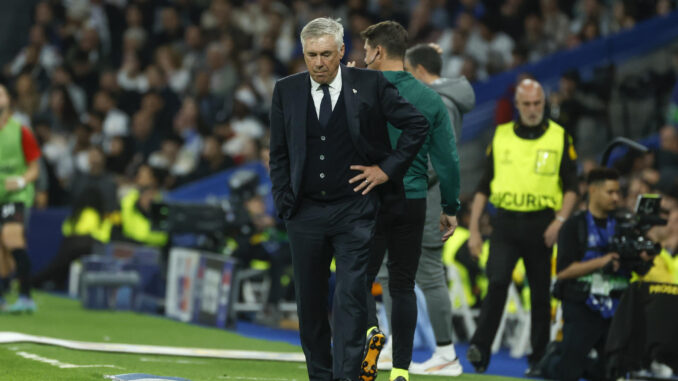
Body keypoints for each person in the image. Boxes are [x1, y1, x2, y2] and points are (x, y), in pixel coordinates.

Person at [268, 17, 429, 381]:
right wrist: (284, 201)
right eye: (311, 55)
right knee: (309, 307)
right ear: (303, 54)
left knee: (351, 300)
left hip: (355, 211)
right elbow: (278, 153)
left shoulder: (370, 84)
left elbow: (416, 124)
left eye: (326, 54)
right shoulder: (286, 90)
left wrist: (386, 170)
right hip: (304, 212)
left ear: (342, 52)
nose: (319, 62)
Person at [356, 22, 462, 381]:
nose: (364, 55)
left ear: (379, 52)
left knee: (357, 279)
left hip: (366, 196)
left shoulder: (360, 89)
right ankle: (400, 369)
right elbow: (447, 158)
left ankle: (370, 333)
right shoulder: (430, 98)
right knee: (403, 285)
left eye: (367, 49)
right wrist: (450, 208)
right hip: (413, 199)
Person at [466, 78, 579, 375]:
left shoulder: (559, 137)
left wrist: (560, 220)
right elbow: (483, 186)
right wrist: (475, 230)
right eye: (526, 104)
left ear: (545, 103)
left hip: (543, 224)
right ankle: (480, 349)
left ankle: (538, 358)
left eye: (537, 103)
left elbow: (572, 188)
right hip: (505, 223)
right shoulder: (501, 136)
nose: (532, 109)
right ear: (516, 105)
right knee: (498, 282)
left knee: (541, 294)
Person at [401, 42, 476, 376]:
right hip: (421, 196)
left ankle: (446, 353)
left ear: (418, 70)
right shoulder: (443, 99)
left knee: (430, 274)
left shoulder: (440, 102)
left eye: (406, 71)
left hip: (427, 199)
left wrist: (398, 178)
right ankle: (394, 346)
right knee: (394, 271)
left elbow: (437, 159)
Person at [540, 167, 654, 380]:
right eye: (610, 192)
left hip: (616, 307)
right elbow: (563, 271)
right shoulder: (574, 226)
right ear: (593, 190)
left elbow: (637, 268)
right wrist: (602, 261)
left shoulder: (624, 225)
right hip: (582, 303)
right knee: (567, 372)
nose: (615, 197)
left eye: (618, 192)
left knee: (611, 371)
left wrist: (642, 258)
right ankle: (553, 360)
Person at [0, 83, 41, 313]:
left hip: (15, 194)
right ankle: (3, 294)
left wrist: (21, 181)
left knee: (11, 237)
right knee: (1, 253)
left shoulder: (21, 131)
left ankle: (26, 296)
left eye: (1, 93)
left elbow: (35, 169)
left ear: (8, 100)